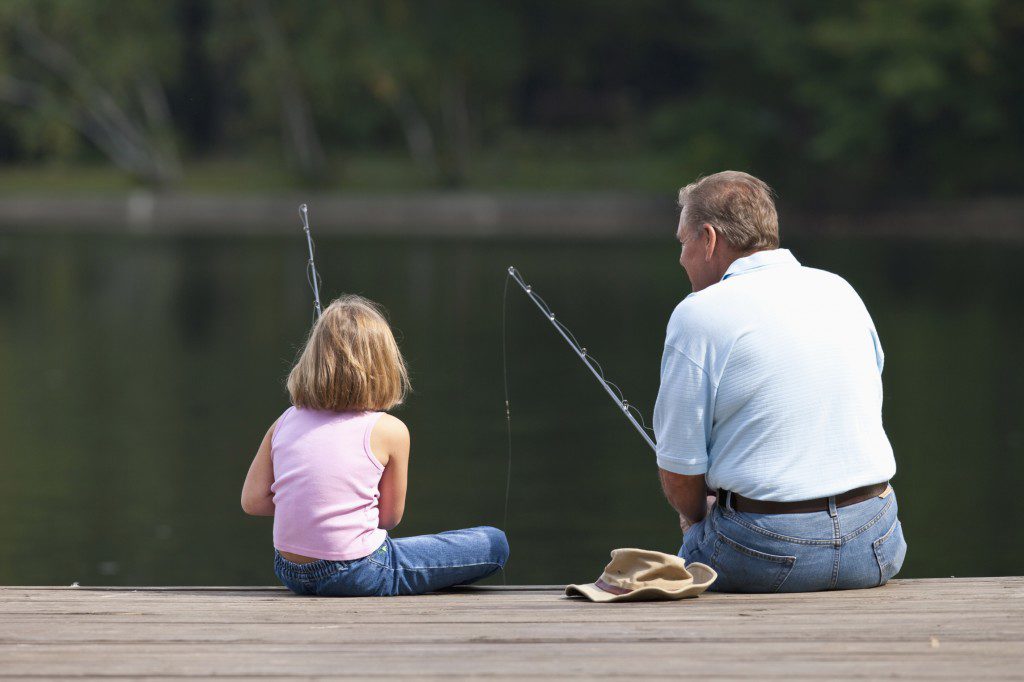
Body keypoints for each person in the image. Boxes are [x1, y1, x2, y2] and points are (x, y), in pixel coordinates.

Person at [653, 171, 906, 593]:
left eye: (683, 242)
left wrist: (698, 512)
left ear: (710, 239)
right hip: (876, 543)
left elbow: (680, 473)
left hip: (765, 555)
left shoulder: (697, 313)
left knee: (697, 538)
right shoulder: (840, 290)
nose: (681, 258)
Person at [241, 295, 509, 596]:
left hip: (289, 571)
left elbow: (252, 501)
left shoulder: (285, 420)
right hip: (358, 571)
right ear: (383, 365)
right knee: (493, 543)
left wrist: (310, 506)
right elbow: (389, 518)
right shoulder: (390, 430)